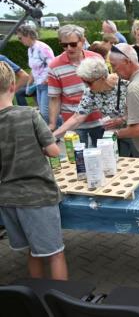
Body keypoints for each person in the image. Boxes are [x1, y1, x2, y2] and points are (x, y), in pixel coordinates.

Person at [0, 61, 68, 281]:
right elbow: (54, 151)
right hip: (36, 194)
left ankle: (36, 301)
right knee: (55, 253)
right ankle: (63, 304)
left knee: (33, 250)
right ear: (13, 86)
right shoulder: (28, 114)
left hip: (7, 198)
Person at [52, 57, 138, 157]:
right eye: (83, 81)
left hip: (136, 135)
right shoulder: (90, 92)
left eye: (88, 82)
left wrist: (122, 120)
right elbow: (77, 117)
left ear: (101, 78)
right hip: (114, 137)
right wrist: (52, 136)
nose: (85, 86)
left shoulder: (126, 84)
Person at [48, 24, 103, 147]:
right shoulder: (54, 66)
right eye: (64, 45)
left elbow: (107, 88)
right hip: (72, 122)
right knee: (77, 161)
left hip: (99, 120)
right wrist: (52, 124)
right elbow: (54, 98)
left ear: (82, 41)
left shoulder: (96, 59)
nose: (68, 48)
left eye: (73, 44)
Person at [16, 25, 55, 123]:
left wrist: (46, 80)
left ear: (28, 35)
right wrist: (29, 85)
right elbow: (34, 70)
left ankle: (62, 126)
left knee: (45, 113)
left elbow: (53, 66)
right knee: (43, 113)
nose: (20, 41)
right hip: (38, 85)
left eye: (20, 38)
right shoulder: (30, 49)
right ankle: (55, 132)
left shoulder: (42, 48)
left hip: (46, 85)